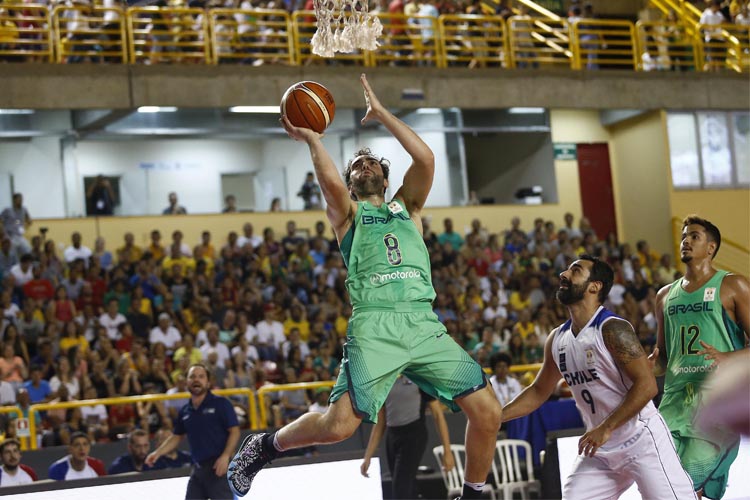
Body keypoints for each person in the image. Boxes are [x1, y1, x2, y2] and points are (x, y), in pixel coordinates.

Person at [228, 74, 502, 500]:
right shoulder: (348, 216)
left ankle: (474, 493)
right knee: (338, 428)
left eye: (371, 161)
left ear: (385, 176)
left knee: (488, 412)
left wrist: (383, 115)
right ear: (352, 183)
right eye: (357, 165)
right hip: (375, 326)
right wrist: (314, 141)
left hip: (422, 323)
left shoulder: (408, 207)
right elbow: (330, 187)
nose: (365, 165)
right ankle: (264, 445)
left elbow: (426, 160)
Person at [502, 255, 696, 499]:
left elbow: (647, 386)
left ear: (595, 286)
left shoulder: (612, 328)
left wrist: (606, 427)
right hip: (600, 451)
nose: (563, 274)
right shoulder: (556, 338)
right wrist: (498, 416)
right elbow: (538, 391)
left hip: (641, 441)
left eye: (575, 270)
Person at [654, 215, 749, 500]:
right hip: (673, 404)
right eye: (684, 236)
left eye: (694, 236)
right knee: (664, 486)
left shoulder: (734, 285)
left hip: (715, 404)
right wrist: (643, 366)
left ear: (711, 247)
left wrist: (728, 358)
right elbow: (662, 357)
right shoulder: (664, 295)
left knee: (685, 485)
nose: (685, 240)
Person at [145, 363, 239, 500]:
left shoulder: (221, 404)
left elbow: (234, 431)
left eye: (201, 376)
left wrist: (225, 456)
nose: (196, 379)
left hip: (219, 467)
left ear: (208, 382)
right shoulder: (185, 411)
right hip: (198, 469)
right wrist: (157, 453)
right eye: (192, 376)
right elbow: (176, 436)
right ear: (186, 382)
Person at [360, 376, 455, 499]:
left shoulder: (418, 376)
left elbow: (437, 415)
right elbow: (381, 420)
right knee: (406, 487)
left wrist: (447, 451)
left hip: (413, 434)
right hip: (392, 436)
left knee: (401, 488)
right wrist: (368, 456)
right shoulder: (385, 379)